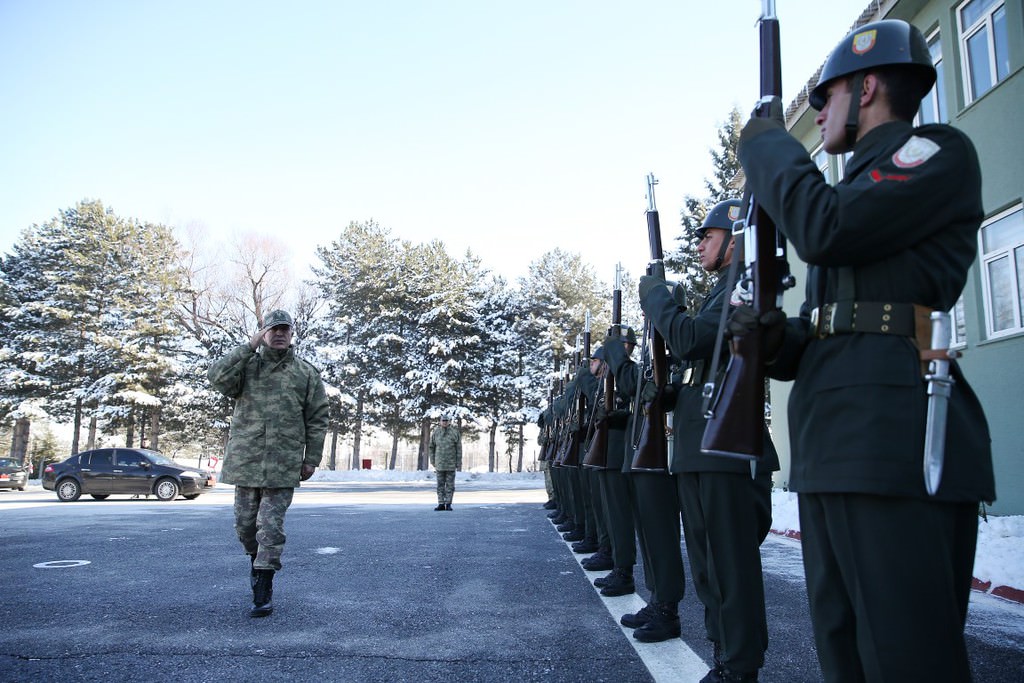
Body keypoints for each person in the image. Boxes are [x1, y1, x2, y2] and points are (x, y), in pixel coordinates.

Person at [734, 19, 995, 681]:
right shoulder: (850, 189)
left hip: (889, 440)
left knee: (908, 660)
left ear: (869, 86)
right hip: (834, 441)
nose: (818, 112)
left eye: (827, 97)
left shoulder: (936, 152)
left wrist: (766, 148)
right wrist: (775, 338)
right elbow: (836, 325)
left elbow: (825, 228)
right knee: (844, 656)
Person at [640, 199, 780, 682]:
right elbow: (705, 363)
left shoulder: (745, 283)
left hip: (728, 449)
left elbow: (691, 340)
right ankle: (726, 660)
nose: (699, 244)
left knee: (729, 568)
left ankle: (740, 666)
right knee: (709, 568)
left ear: (736, 238)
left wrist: (658, 298)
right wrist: (672, 393)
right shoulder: (722, 289)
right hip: (703, 447)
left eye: (708, 235)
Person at [207, 309, 329, 618]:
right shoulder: (246, 367)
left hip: (283, 463)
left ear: (291, 334)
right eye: (272, 329)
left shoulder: (305, 373)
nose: (278, 334)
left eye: (284, 329)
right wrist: (247, 348)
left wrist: (311, 458)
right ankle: (255, 561)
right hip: (246, 462)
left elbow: (317, 419)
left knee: (270, 527)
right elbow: (216, 377)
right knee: (245, 527)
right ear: (262, 332)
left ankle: (263, 584)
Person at [429, 415, 462, 510]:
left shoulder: (454, 432)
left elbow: (458, 448)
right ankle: (441, 503)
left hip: (451, 463)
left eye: (446, 421)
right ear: (440, 421)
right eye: (443, 420)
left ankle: (448, 503)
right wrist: (433, 460)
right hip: (439, 464)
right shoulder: (436, 432)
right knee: (440, 485)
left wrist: (458, 461)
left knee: (450, 485)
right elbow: (431, 447)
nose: (444, 422)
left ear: (449, 421)